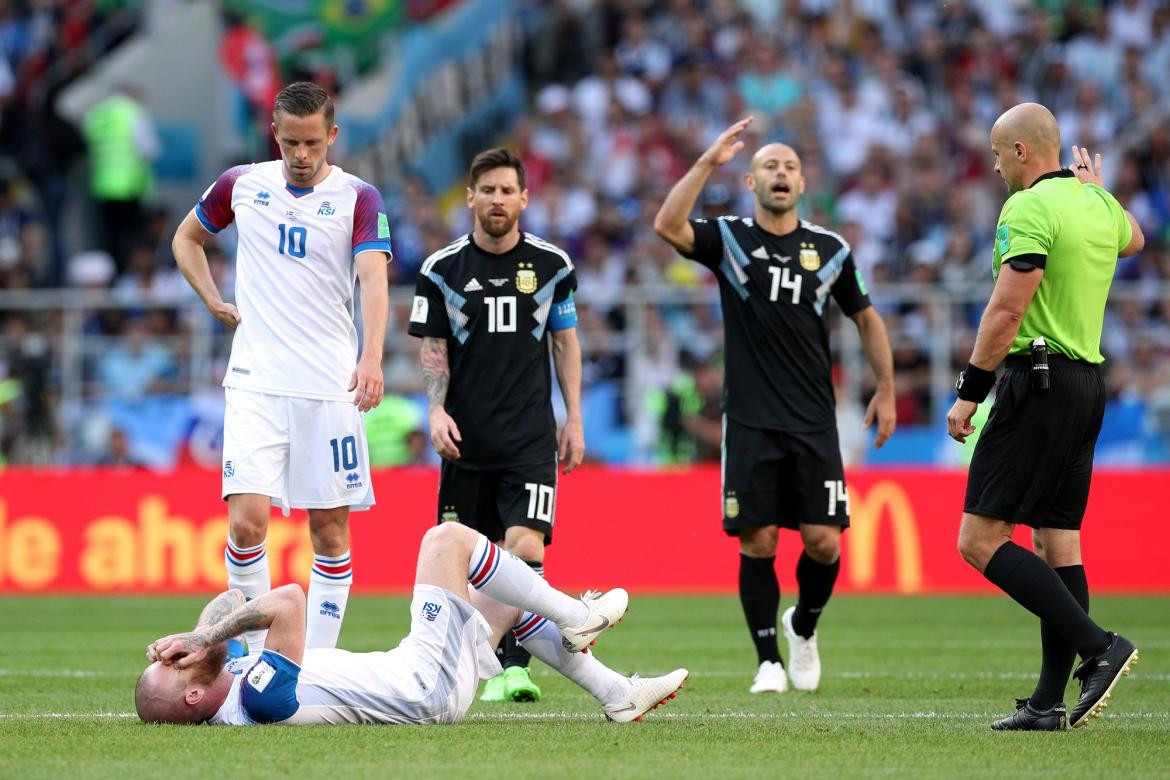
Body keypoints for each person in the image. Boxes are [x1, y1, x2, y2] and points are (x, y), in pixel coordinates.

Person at [653, 117, 896, 694]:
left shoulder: (830, 250)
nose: (780, 173)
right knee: (758, 540)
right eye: (769, 166)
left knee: (824, 541)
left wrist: (885, 388)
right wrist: (706, 160)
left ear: (803, 183)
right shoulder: (732, 240)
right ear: (750, 180)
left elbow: (866, 316)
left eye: (789, 166)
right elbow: (667, 225)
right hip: (751, 419)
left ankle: (803, 625)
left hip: (814, 418)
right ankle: (768, 660)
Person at [172, 82, 392, 653]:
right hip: (255, 384)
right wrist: (211, 298)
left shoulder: (359, 197)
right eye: (291, 142)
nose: (300, 155)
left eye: (312, 143)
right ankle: (248, 661)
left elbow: (373, 277)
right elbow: (186, 238)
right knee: (246, 524)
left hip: (328, 386)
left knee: (329, 532)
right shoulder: (243, 184)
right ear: (275, 132)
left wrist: (371, 357)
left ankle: (311, 665)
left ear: (332, 137)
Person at [947, 103, 1143, 732]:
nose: (997, 165)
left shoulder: (1027, 208)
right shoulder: (1097, 205)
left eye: (999, 153)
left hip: (1039, 380)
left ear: (1023, 152)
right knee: (1058, 540)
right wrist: (1098, 194)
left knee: (979, 540)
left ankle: (1100, 646)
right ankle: (1047, 704)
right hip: (1087, 385)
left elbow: (1008, 308)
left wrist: (970, 391)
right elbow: (1135, 239)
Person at [136, 522, 687, 725]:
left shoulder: (229, 677)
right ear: (192, 698)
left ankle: (618, 694)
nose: (181, 657)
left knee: (501, 595)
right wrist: (206, 638)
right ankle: (578, 614)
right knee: (444, 541)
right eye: (174, 669)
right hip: (424, 688)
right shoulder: (256, 699)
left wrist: (195, 636)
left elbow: (230, 597)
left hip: (417, 674)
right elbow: (288, 600)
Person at [408, 148, 584, 703]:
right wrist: (435, 410)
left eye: (508, 191)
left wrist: (574, 416)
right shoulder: (441, 270)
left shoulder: (552, 266)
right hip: (466, 442)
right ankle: (466, 666)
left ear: (524, 198)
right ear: (471, 197)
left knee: (525, 544)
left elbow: (565, 341)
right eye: (488, 190)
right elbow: (433, 348)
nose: (498, 200)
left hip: (530, 439)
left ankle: (512, 668)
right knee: (471, 560)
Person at [82, 85, 162, 273]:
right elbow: (151, 149)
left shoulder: (97, 114)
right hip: (129, 185)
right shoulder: (132, 113)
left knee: (108, 236)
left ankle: (112, 274)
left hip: (102, 185)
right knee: (132, 237)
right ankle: (130, 273)